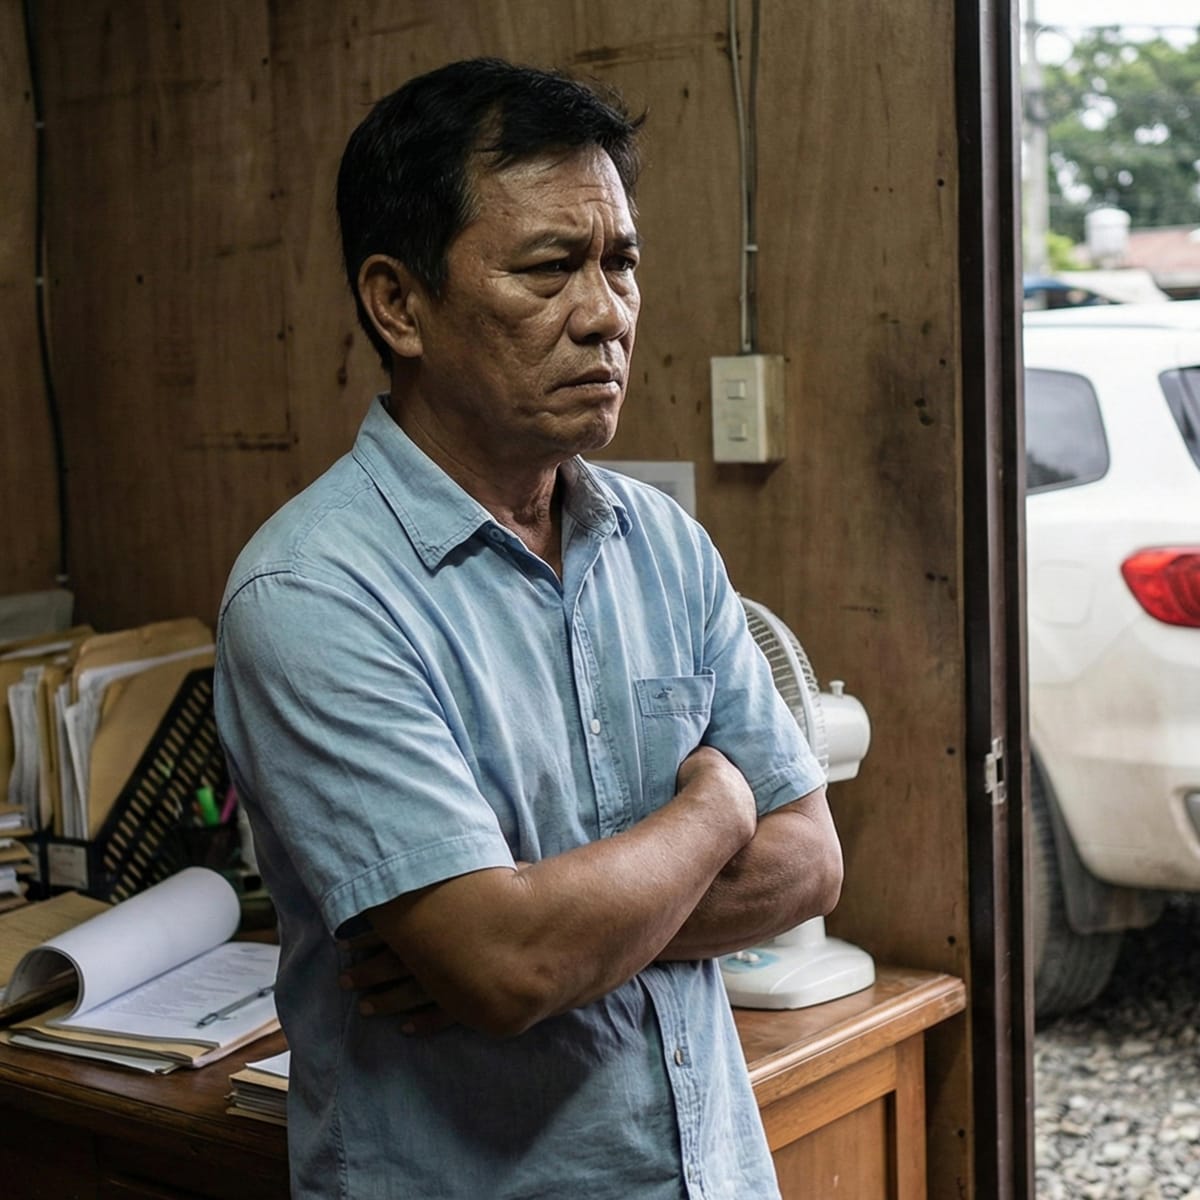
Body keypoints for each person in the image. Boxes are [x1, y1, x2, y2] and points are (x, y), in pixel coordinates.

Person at [215, 56, 843, 1200]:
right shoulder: (312, 596)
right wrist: (718, 805)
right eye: (551, 268)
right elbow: (506, 966)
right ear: (398, 303)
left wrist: (553, 939)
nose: (604, 314)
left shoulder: (659, 541)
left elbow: (809, 865)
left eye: (621, 264)